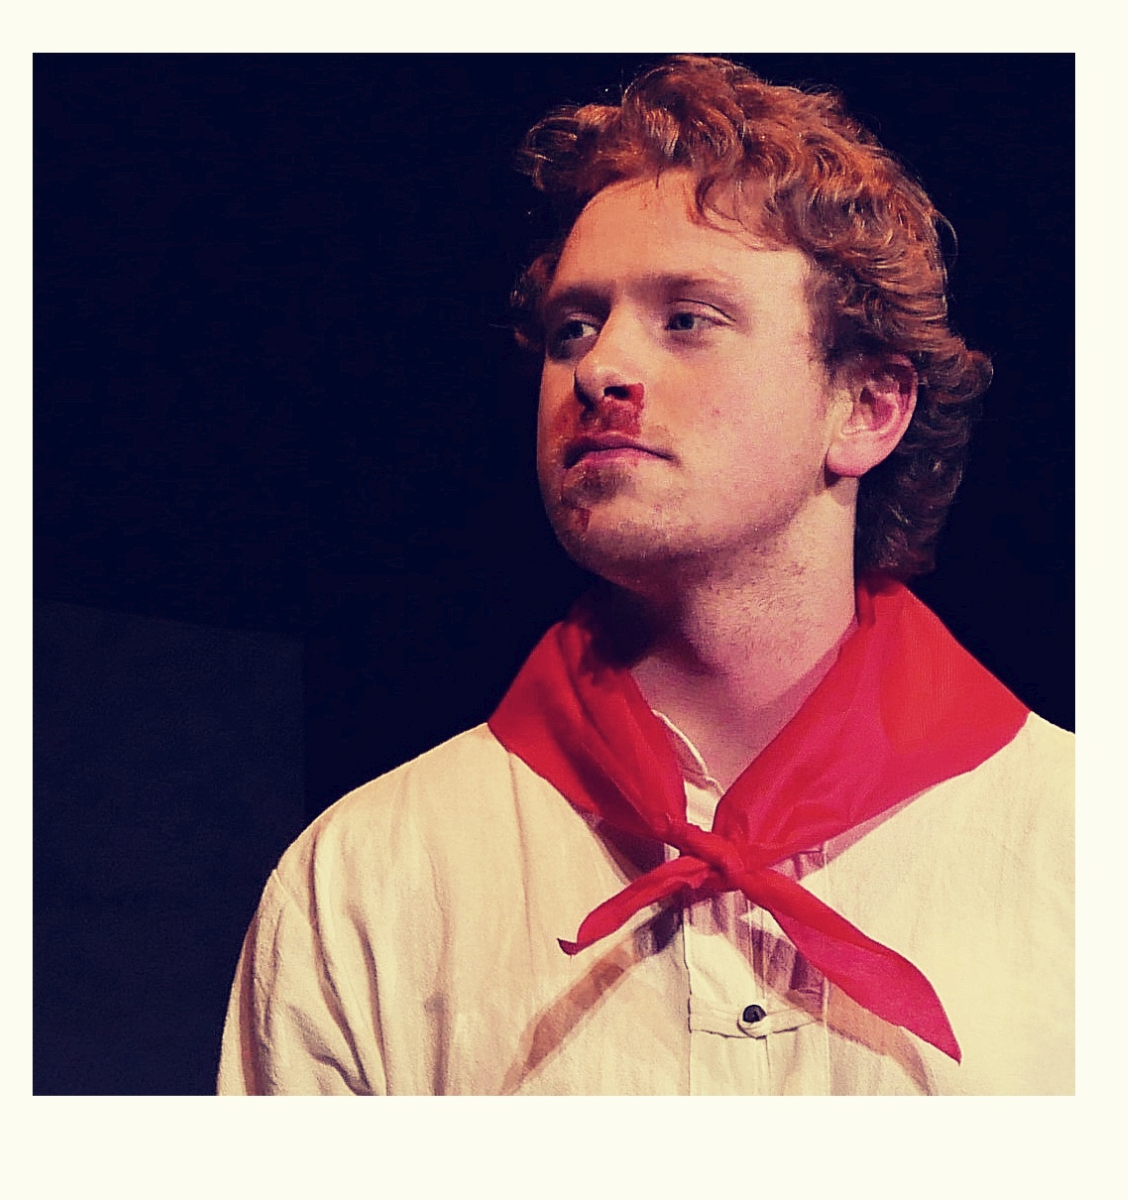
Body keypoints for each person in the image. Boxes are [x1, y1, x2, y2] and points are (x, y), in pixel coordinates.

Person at [217, 55, 1073, 1095]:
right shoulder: (365, 877)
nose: (598, 368)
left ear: (865, 408)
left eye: (686, 319)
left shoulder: (1078, 844)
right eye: (573, 327)